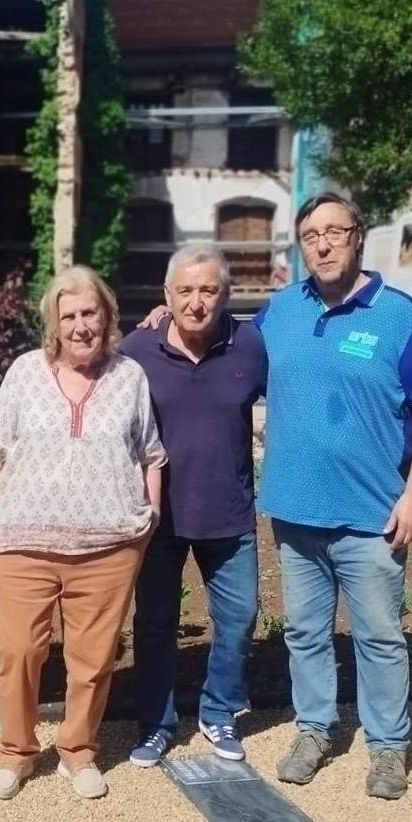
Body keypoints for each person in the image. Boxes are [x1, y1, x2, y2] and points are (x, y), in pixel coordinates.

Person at [258, 192, 412, 800]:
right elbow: (223, 354)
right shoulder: (281, 311)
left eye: (334, 230)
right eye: (311, 233)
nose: (323, 242)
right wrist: (166, 316)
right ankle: (315, 729)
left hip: (372, 516)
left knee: (379, 636)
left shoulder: (399, 317)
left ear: (357, 236)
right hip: (296, 510)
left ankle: (388, 747)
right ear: (300, 243)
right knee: (306, 633)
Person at [0, 265, 166, 801]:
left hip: (107, 546)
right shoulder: (25, 372)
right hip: (22, 542)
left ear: (107, 315)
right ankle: (16, 752)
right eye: (69, 315)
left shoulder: (129, 377)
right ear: (54, 323)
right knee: (16, 652)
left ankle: (78, 752)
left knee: (94, 658)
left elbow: (150, 452)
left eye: (90, 312)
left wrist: (148, 519)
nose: (81, 325)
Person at [121, 245, 267, 767]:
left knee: (239, 616)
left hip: (228, 515)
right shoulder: (136, 349)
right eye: (184, 290)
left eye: (208, 290)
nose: (196, 302)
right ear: (166, 296)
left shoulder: (250, 344)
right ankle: (156, 724)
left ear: (225, 295)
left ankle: (218, 710)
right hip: (159, 519)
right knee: (155, 623)